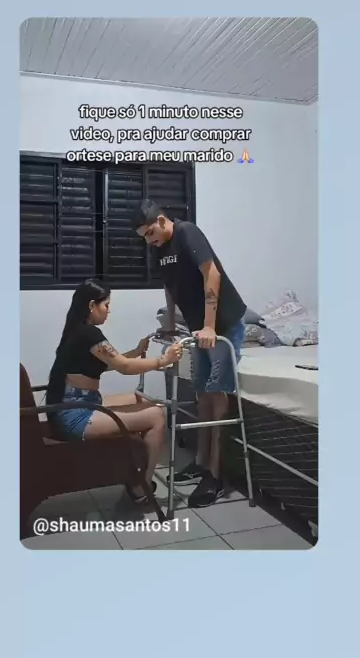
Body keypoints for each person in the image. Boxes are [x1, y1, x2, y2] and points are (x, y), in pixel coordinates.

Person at [132, 201, 246, 507]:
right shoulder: (159, 248)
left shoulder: (186, 232)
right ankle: (201, 462)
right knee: (202, 395)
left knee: (217, 394)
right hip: (198, 328)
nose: (149, 240)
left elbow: (212, 274)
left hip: (223, 325)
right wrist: (170, 323)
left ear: (161, 220)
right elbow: (171, 287)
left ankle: (215, 476)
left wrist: (209, 326)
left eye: (150, 233)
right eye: (144, 237)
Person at [46, 279, 183, 504]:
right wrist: (163, 360)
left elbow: (109, 363)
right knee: (157, 415)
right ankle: (141, 487)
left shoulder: (76, 330)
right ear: (92, 305)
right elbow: (124, 367)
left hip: (75, 404)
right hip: (76, 414)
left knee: (138, 399)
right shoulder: (89, 334)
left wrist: (137, 351)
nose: (108, 311)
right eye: (106, 305)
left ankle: (132, 469)